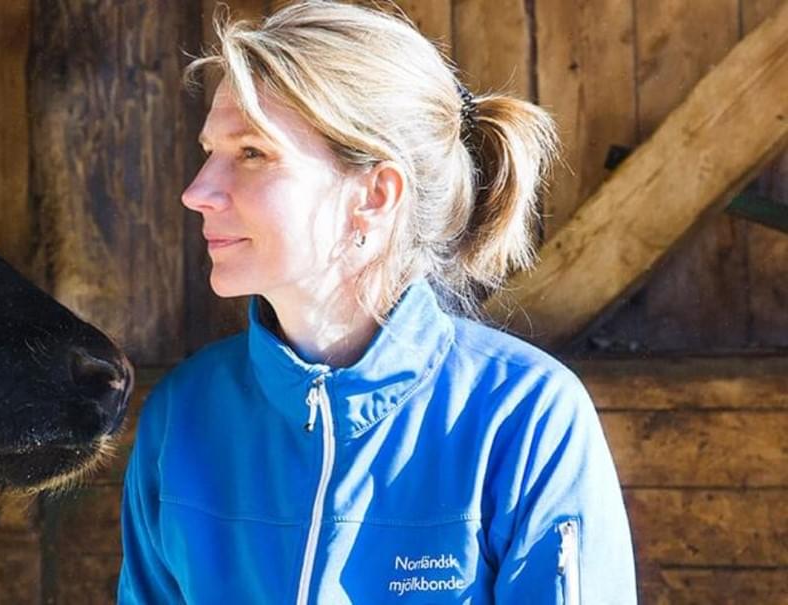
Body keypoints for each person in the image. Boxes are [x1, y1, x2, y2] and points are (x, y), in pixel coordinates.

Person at [116, 2, 637, 603]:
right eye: (210, 151)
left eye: (252, 152)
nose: (198, 190)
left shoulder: (524, 417)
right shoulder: (182, 417)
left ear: (374, 195)